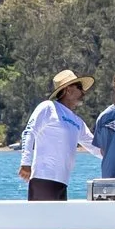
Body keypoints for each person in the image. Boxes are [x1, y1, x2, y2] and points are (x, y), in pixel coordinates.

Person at [18, 70, 96, 200]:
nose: (83, 92)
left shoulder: (78, 122)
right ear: (68, 90)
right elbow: (29, 132)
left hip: (62, 182)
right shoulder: (48, 107)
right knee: (42, 220)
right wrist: (25, 163)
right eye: (79, 87)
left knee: (59, 221)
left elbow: (95, 146)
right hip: (43, 180)